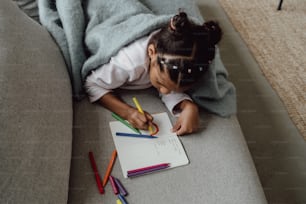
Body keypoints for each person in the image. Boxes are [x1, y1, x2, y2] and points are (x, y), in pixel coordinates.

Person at [85, 11, 222, 136]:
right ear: (151, 52)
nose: (164, 91)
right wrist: (127, 112)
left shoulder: (179, 64)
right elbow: (92, 84)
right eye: (160, 83)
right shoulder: (130, 63)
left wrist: (188, 106)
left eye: (173, 89)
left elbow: (170, 86)